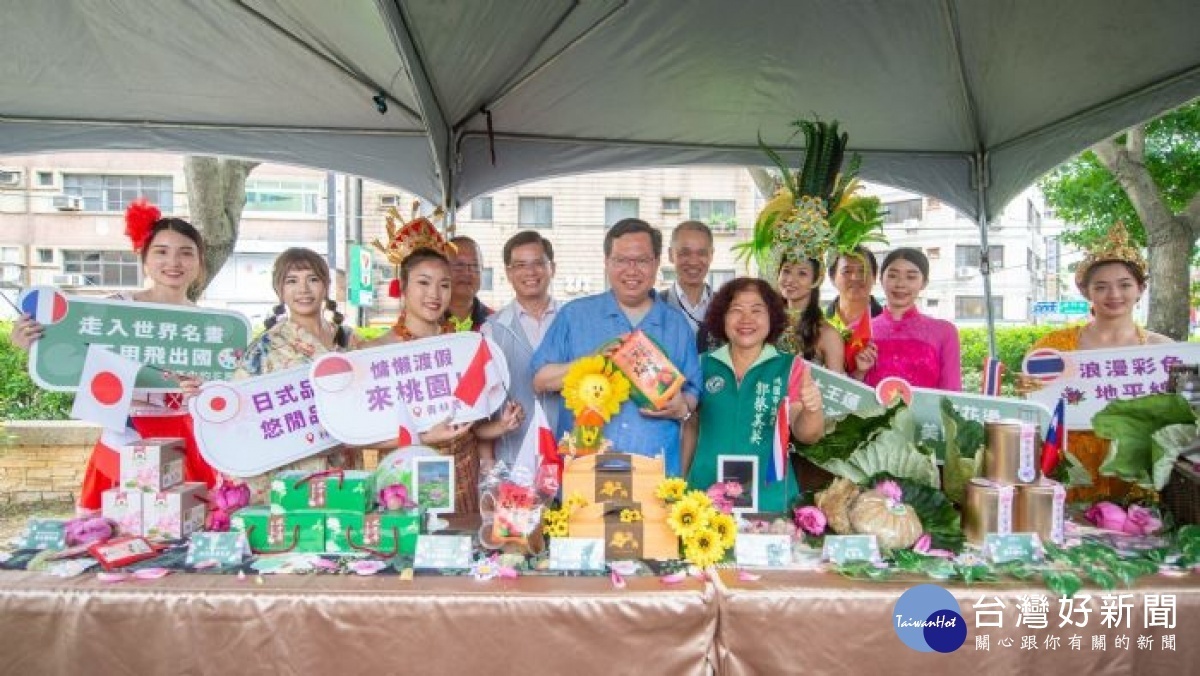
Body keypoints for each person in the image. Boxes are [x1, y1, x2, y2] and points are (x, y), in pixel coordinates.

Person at [10, 199, 218, 513]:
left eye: (185, 252)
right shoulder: (113, 310)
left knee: (185, 530)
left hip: (190, 438)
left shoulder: (211, 326)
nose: (173, 261)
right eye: (161, 251)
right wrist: (33, 344)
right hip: (127, 431)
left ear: (200, 261)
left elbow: (228, 387)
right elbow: (67, 357)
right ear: (144, 258)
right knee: (119, 533)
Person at [367, 215, 517, 514]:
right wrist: (424, 438)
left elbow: (470, 425)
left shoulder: (464, 347)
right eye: (423, 283)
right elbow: (361, 439)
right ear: (402, 287)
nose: (434, 294)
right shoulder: (375, 354)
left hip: (463, 474)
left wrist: (499, 426)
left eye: (444, 285)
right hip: (403, 480)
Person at [532, 218, 701, 476]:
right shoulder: (575, 315)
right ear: (606, 262)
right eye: (621, 260)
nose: (631, 270)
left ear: (656, 263)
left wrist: (682, 407)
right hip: (586, 472)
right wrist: (592, 363)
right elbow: (539, 380)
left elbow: (692, 393)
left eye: (642, 261)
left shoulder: (675, 324)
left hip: (655, 474)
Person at [1020, 223, 1170, 501]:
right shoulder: (1053, 348)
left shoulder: (1161, 351)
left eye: (1124, 285)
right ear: (1087, 293)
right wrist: (1028, 389)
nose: (1114, 295)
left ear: (1140, 289)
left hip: (1137, 476)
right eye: (1101, 287)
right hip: (1070, 471)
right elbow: (1034, 408)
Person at [682, 278, 824, 512]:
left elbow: (807, 434)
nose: (746, 319)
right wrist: (680, 479)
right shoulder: (702, 365)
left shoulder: (790, 367)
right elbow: (691, 427)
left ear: (772, 317)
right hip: (705, 493)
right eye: (736, 310)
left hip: (768, 497)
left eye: (757, 310)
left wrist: (812, 408)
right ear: (722, 317)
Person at [232, 247, 360, 502]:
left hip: (341, 463)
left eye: (312, 279)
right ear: (279, 290)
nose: (303, 289)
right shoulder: (265, 347)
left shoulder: (347, 340)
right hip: (290, 468)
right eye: (292, 281)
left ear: (326, 287)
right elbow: (238, 404)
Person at [481, 231, 562, 467]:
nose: (530, 272)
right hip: (514, 463)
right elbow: (483, 407)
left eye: (538, 263)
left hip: (570, 460)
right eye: (520, 265)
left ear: (552, 268)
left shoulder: (573, 321)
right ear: (508, 273)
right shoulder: (491, 331)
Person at [855, 248, 961, 391]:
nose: (900, 284)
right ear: (881, 280)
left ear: (924, 283)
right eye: (893, 275)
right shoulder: (857, 331)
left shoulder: (945, 332)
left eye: (911, 277)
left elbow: (952, 392)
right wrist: (859, 373)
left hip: (927, 414)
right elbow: (847, 392)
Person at [775, 256, 845, 372]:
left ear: (816, 280)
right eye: (786, 271)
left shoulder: (827, 334)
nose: (790, 279)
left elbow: (837, 385)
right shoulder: (766, 322)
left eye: (802, 273)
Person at [660, 221, 718, 352]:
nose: (693, 262)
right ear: (670, 255)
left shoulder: (726, 307)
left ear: (711, 255)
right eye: (685, 253)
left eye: (702, 253)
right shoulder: (654, 307)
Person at [825, 246, 883, 330]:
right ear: (832, 278)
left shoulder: (891, 323)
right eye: (847, 271)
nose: (855, 277)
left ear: (874, 276)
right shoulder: (817, 322)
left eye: (863, 270)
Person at [446, 235, 493, 332]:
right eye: (459, 265)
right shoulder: (428, 319)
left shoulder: (495, 323)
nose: (467, 272)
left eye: (475, 265)